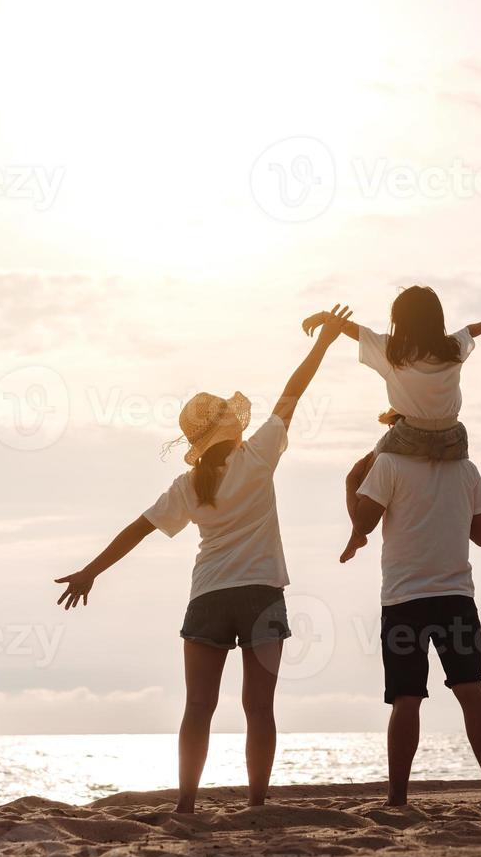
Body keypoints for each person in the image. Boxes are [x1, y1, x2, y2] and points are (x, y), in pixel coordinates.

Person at [54, 305, 354, 814]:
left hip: (210, 597)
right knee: (259, 710)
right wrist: (325, 342)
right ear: (234, 427)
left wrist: (91, 572)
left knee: (198, 708)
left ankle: (186, 805)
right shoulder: (259, 455)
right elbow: (293, 391)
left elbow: (138, 529)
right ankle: (257, 805)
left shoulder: (188, 484)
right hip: (261, 594)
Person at [340, 446, 481, 807]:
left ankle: (397, 799)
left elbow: (363, 523)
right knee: (471, 690)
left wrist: (352, 482)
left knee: (406, 699)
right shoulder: (466, 468)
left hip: (404, 602)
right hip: (456, 599)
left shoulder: (388, 464)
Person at [300, 285, 481, 555]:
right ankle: (466, 515)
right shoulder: (453, 348)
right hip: (453, 436)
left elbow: (355, 331)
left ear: (399, 321)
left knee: (365, 468)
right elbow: (470, 330)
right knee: (465, 476)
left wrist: (322, 316)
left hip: (410, 434)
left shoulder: (392, 352)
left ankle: (357, 534)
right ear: (438, 319)